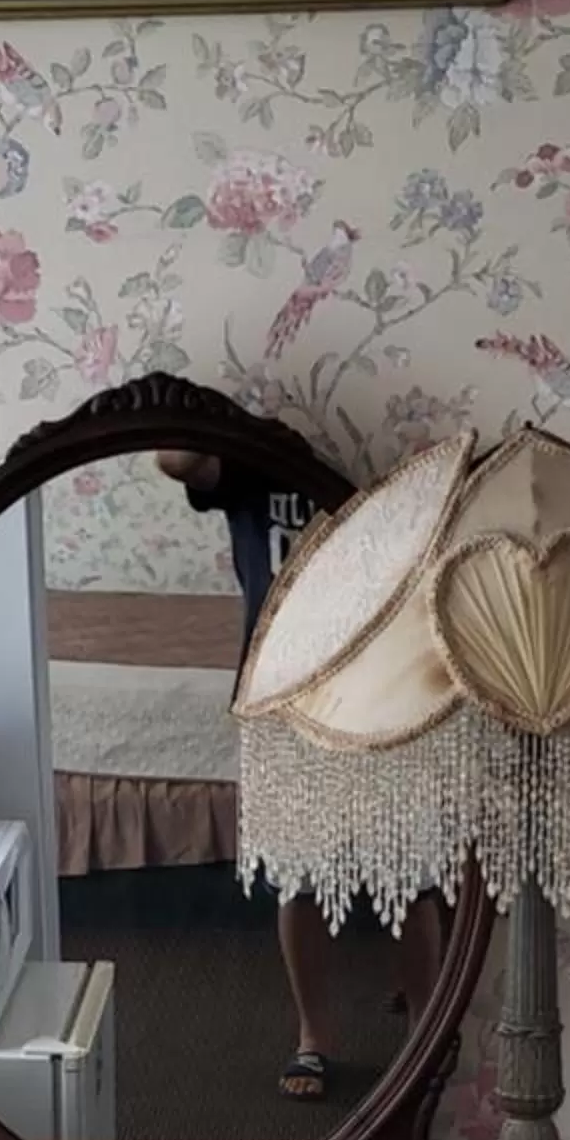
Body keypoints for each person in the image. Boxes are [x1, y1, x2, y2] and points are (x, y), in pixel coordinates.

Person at [157, 448, 442, 1099]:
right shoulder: (254, 465)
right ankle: (314, 1037)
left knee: (413, 872)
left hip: (387, 691)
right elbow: (177, 460)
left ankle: (426, 1026)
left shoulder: (387, 454)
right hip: (283, 702)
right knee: (301, 880)